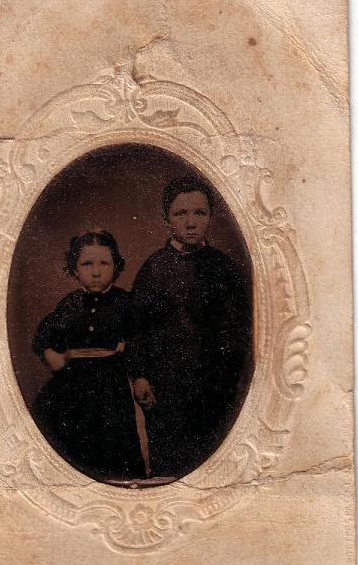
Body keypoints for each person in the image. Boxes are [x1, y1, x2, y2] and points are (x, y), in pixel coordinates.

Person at [127, 176, 252, 478]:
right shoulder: (154, 268)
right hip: (164, 387)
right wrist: (139, 376)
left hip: (215, 386)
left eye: (199, 213)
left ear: (211, 217)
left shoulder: (224, 268)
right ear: (166, 219)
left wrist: (232, 379)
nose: (191, 222)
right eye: (180, 214)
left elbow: (239, 330)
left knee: (212, 466)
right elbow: (136, 328)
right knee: (169, 464)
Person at [31, 230, 145, 483]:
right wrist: (53, 356)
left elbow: (138, 341)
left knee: (111, 442)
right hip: (73, 385)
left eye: (104, 263)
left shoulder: (125, 303)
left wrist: (138, 377)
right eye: (87, 264)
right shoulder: (69, 304)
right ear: (75, 268)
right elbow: (42, 337)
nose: (96, 272)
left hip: (110, 384)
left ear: (116, 266)